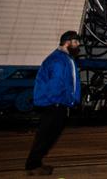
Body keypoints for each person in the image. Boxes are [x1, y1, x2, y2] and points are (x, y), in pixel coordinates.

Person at [25, 30, 82, 175]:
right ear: (67, 42)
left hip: (58, 104)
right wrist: (64, 101)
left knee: (48, 136)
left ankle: (35, 164)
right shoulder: (58, 60)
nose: (78, 45)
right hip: (55, 104)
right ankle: (33, 165)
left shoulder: (64, 58)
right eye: (76, 42)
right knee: (45, 136)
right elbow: (56, 85)